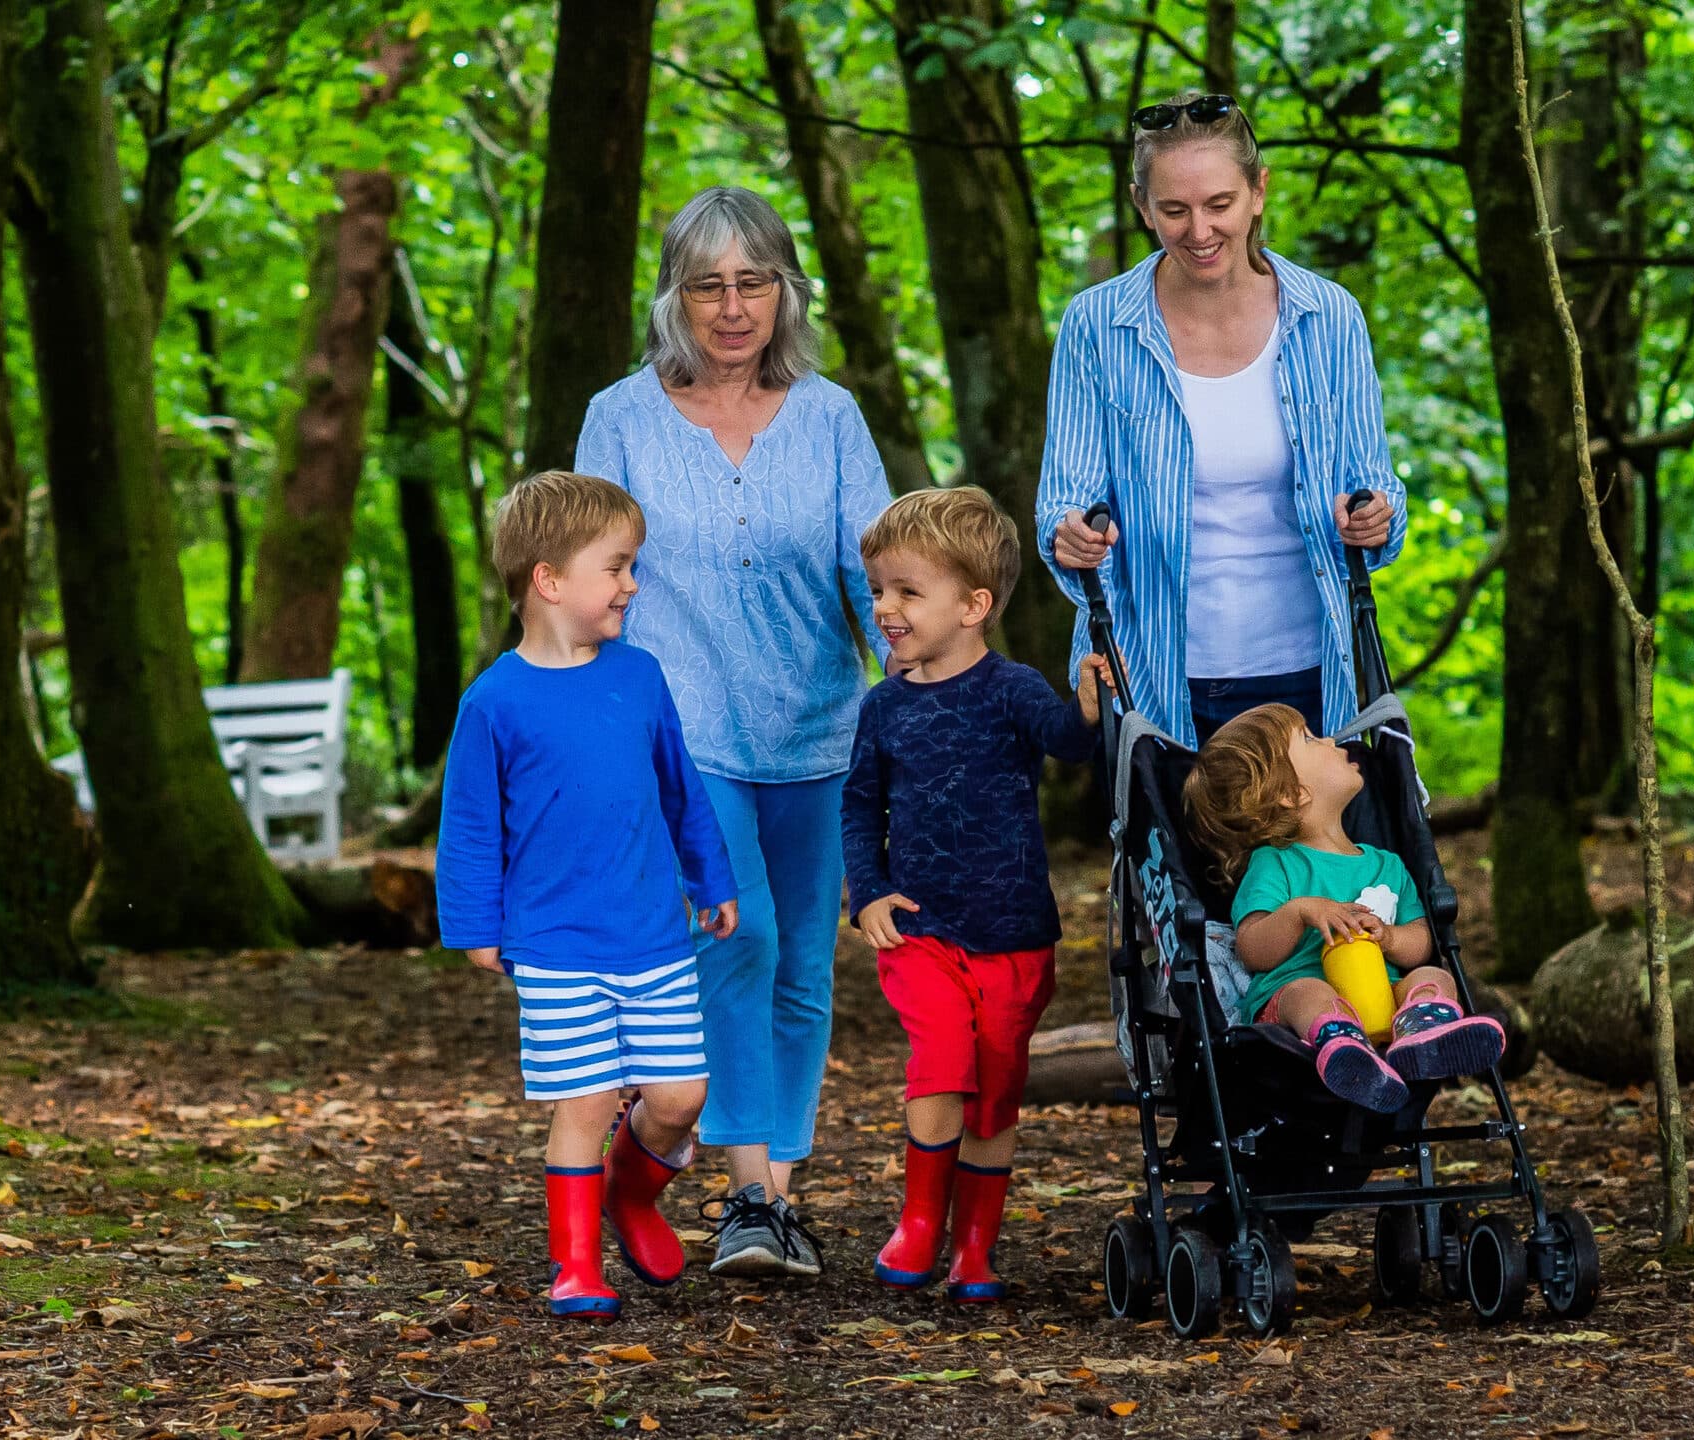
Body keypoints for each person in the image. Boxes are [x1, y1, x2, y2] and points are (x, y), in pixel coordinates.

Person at [574, 186, 893, 1279]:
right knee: (740, 935)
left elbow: (878, 576)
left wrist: (918, 697)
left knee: (805, 962)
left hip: (820, 726)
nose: (731, 306)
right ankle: (750, 1192)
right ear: (673, 297)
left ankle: (775, 1202)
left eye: (752, 280)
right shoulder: (620, 416)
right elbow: (586, 578)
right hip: (684, 728)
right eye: (706, 284)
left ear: (783, 290)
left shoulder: (832, 415)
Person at [435, 471, 742, 1319]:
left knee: (680, 1097)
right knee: (587, 1099)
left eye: (631, 566)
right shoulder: (494, 701)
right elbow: (468, 827)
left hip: (653, 935)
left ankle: (630, 1196)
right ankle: (575, 1266)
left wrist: (710, 879)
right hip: (555, 942)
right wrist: (474, 926)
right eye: (615, 567)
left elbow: (680, 790)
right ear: (549, 580)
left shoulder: (639, 677)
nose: (631, 585)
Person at [1036, 91, 1408, 745]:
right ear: (1141, 205)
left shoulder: (1330, 317)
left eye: (1219, 205)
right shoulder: (1096, 326)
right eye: (1174, 210)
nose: (1199, 232)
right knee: (1178, 852)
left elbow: (1374, 497)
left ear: (1258, 191)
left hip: (1312, 674)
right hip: (1152, 675)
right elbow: (1064, 508)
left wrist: (1375, 516)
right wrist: (1071, 535)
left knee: (1308, 853)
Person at [841, 487, 1110, 1302]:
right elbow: (859, 804)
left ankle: (976, 1250)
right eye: (879, 590)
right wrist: (870, 893)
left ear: (973, 606)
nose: (884, 608)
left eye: (907, 591)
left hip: (1014, 930)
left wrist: (1090, 704)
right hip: (923, 924)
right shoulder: (883, 707)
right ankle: (921, 1222)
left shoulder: (1012, 688)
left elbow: (1065, 742)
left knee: (994, 1096)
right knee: (942, 1060)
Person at [1185, 703, 1504, 1113]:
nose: (1332, 740)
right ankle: (1342, 1046)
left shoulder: (1387, 865)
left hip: (1382, 999)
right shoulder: (1277, 862)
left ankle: (1422, 1038)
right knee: (1308, 991)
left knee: (1432, 973)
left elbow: (1421, 941)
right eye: (1310, 738)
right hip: (1293, 1006)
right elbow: (1251, 948)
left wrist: (1389, 937)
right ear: (1290, 793)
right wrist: (1301, 911)